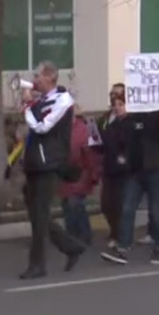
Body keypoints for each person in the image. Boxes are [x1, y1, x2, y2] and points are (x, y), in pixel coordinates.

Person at [19, 61, 85, 279]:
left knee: (39, 215)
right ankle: (71, 246)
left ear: (49, 77)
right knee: (37, 213)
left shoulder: (63, 100)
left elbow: (42, 126)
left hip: (49, 164)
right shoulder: (42, 100)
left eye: (38, 76)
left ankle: (37, 265)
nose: (34, 80)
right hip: (35, 163)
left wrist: (28, 106)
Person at [101, 110, 159, 265]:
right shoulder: (132, 118)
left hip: (155, 169)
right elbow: (120, 139)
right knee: (127, 208)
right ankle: (123, 248)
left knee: (155, 210)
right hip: (136, 170)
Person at [58, 105, 101, 246]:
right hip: (64, 173)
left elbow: (91, 154)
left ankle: (81, 235)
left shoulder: (83, 129)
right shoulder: (59, 129)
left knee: (74, 203)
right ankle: (74, 235)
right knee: (68, 205)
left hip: (80, 173)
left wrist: (94, 174)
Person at [100, 94, 132, 248]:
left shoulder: (131, 124)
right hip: (110, 168)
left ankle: (120, 236)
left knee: (119, 204)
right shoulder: (111, 124)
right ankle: (115, 231)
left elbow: (131, 145)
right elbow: (105, 143)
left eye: (121, 104)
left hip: (124, 171)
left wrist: (125, 157)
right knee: (106, 204)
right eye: (115, 105)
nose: (117, 108)